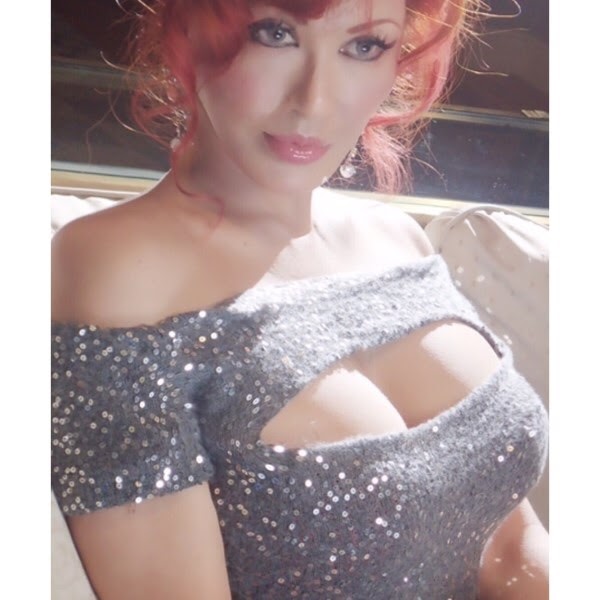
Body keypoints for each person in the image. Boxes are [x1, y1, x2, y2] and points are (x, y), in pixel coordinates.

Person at [51, 0, 549, 598]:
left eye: (364, 46)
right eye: (274, 34)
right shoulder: (116, 270)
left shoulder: (395, 239)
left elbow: (513, 549)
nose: (315, 101)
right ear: (185, 29)